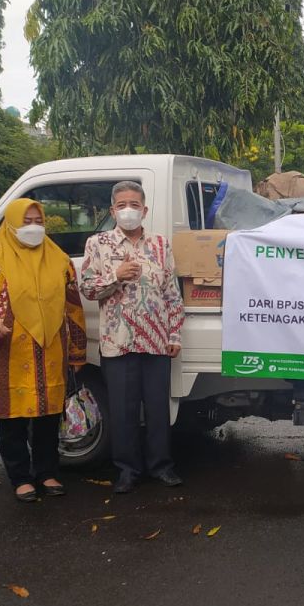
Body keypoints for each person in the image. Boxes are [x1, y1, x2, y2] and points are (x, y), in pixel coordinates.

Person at [0, 199, 87, 502]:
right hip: (9, 355)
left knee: (48, 418)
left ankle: (47, 472)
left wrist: (78, 352)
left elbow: (73, 308)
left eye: (38, 221)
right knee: (13, 421)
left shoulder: (60, 261)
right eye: (26, 221)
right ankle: (20, 477)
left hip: (50, 354)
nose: (33, 227)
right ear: (12, 223)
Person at [79, 181, 185, 493]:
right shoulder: (98, 244)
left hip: (155, 342)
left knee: (157, 408)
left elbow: (171, 294)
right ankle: (127, 471)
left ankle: (161, 466)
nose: (128, 210)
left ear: (145, 209)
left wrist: (174, 333)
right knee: (123, 412)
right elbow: (87, 288)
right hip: (117, 342)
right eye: (122, 204)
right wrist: (115, 276)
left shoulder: (161, 245)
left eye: (134, 204)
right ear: (112, 210)